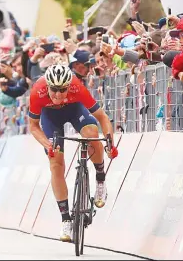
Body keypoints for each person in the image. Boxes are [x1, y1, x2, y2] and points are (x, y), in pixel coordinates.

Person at [28, 64, 118, 242]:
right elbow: (33, 126)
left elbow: (102, 118)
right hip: (50, 118)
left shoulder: (77, 87)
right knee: (56, 164)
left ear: (70, 85)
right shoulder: (37, 91)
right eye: (54, 89)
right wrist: (47, 144)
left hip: (74, 110)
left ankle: (100, 178)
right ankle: (65, 219)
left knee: (92, 134)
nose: (59, 95)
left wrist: (110, 142)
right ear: (47, 86)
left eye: (63, 90)